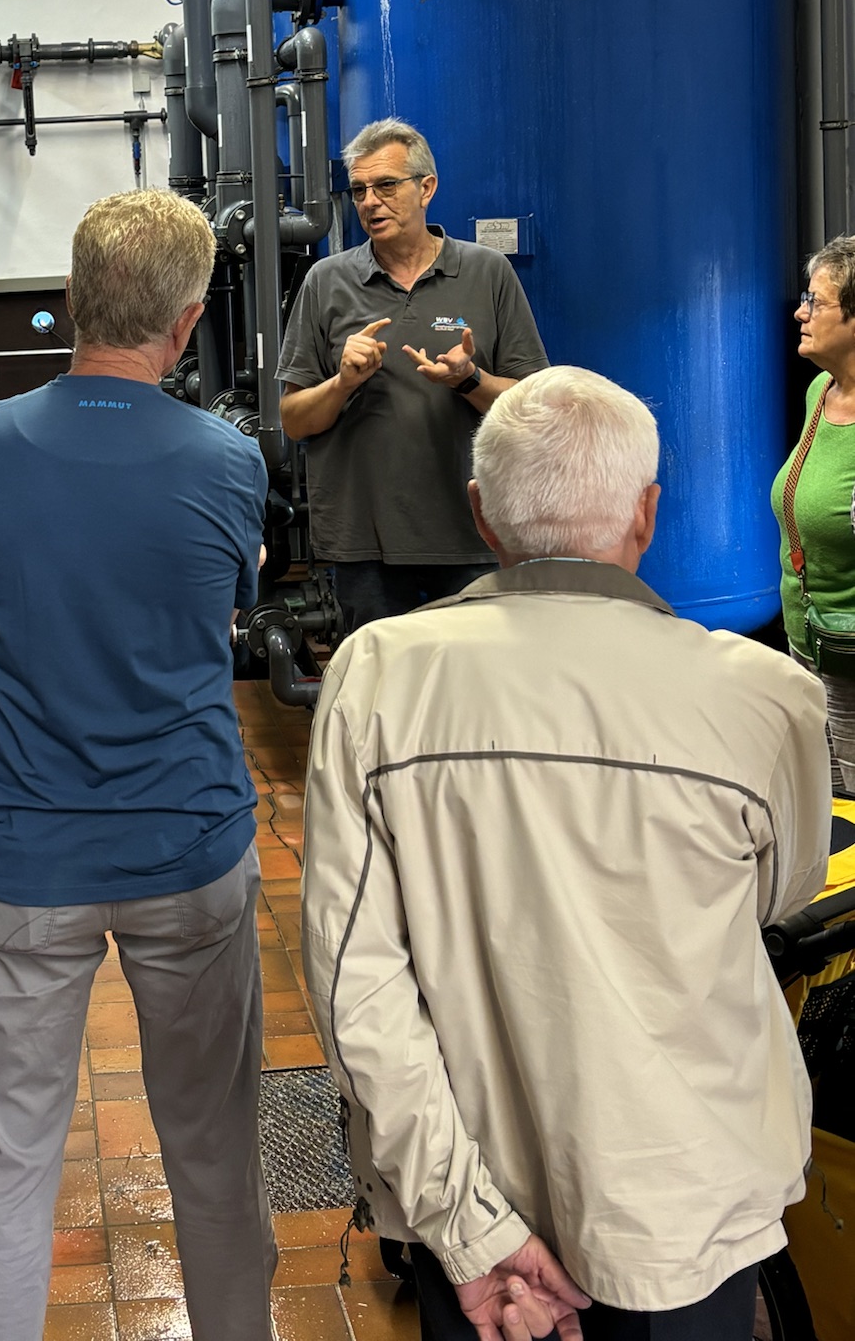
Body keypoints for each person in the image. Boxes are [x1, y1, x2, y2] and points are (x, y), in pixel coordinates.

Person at [302, 366, 830, 1340]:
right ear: (648, 513)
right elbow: (781, 894)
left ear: (481, 513)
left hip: (476, 1206)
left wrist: (470, 1224)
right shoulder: (767, 698)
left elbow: (352, 983)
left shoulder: (378, 676)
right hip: (687, 1200)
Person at [0, 189, 276, 1341]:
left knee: (4, 1162)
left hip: (27, 854)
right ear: (185, 324)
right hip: (188, 841)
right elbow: (212, 612)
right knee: (216, 1148)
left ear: (73, 298)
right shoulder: (228, 458)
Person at [278, 118, 548, 632]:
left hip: (473, 534)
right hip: (366, 545)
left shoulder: (488, 272)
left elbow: (532, 406)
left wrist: (469, 379)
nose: (370, 202)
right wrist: (343, 382)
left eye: (386, 185)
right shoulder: (326, 281)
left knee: (475, 674)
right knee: (381, 678)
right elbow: (293, 420)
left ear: (427, 188)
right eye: (359, 190)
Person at [773, 235, 855, 792]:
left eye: (816, 302)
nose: (800, 313)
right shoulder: (822, 391)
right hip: (809, 644)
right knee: (820, 803)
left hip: (851, 660)